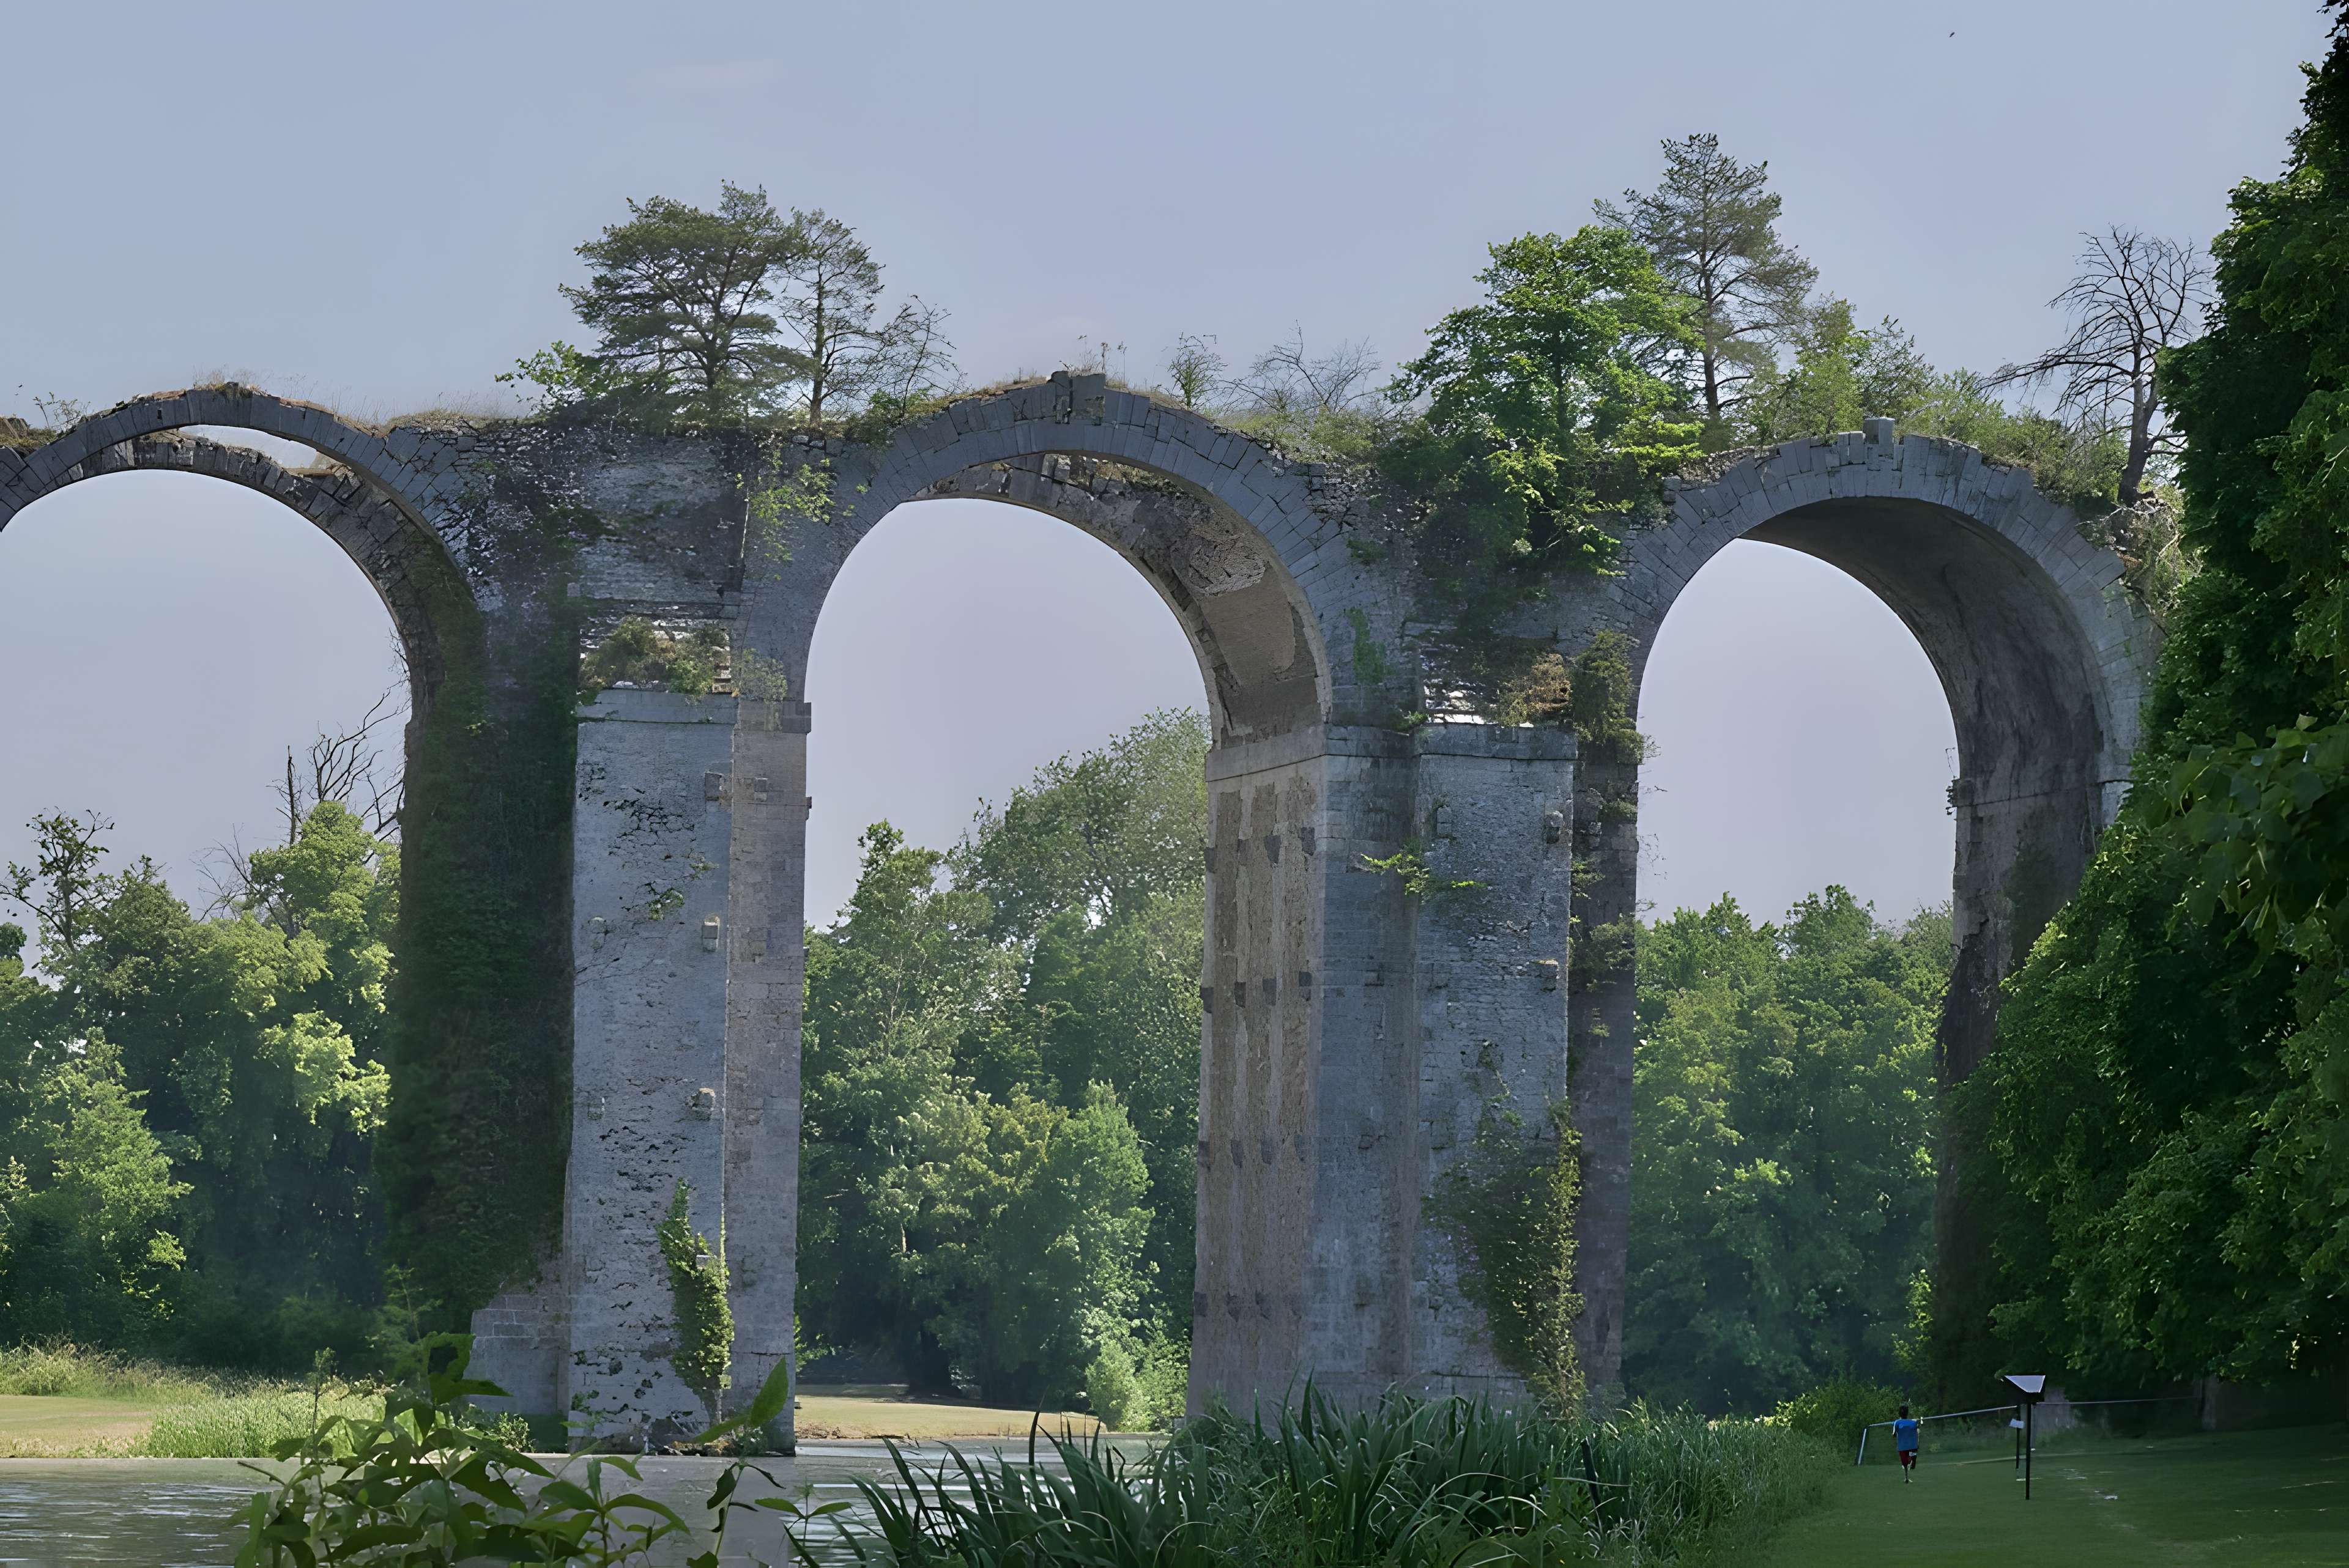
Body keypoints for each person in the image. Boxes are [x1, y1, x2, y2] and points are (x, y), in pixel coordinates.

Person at [1893, 1405, 1920, 1481]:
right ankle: (1906, 1478)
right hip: (1910, 1447)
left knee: (1907, 1465)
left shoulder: (1898, 1422)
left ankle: (1910, 1464)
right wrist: (1920, 1420)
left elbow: (1894, 1435)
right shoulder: (1900, 1422)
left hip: (1906, 1447)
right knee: (1907, 1464)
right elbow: (1921, 1424)